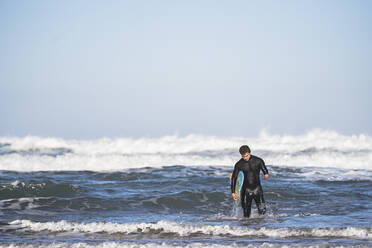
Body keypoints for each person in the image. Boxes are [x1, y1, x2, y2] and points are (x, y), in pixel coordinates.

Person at [231, 145, 269, 218]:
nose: (245, 158)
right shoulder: (239, 164)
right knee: (246, 214)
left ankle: (262, 227)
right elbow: (234, 178)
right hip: (246, 190)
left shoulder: (258, 160)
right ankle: (246, 228)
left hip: (257, 189)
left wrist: (266, 174)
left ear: (249, 153)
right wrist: (233, 192)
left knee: (262, 211)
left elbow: (264, 168)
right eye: (243, 156)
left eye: (246, 156)